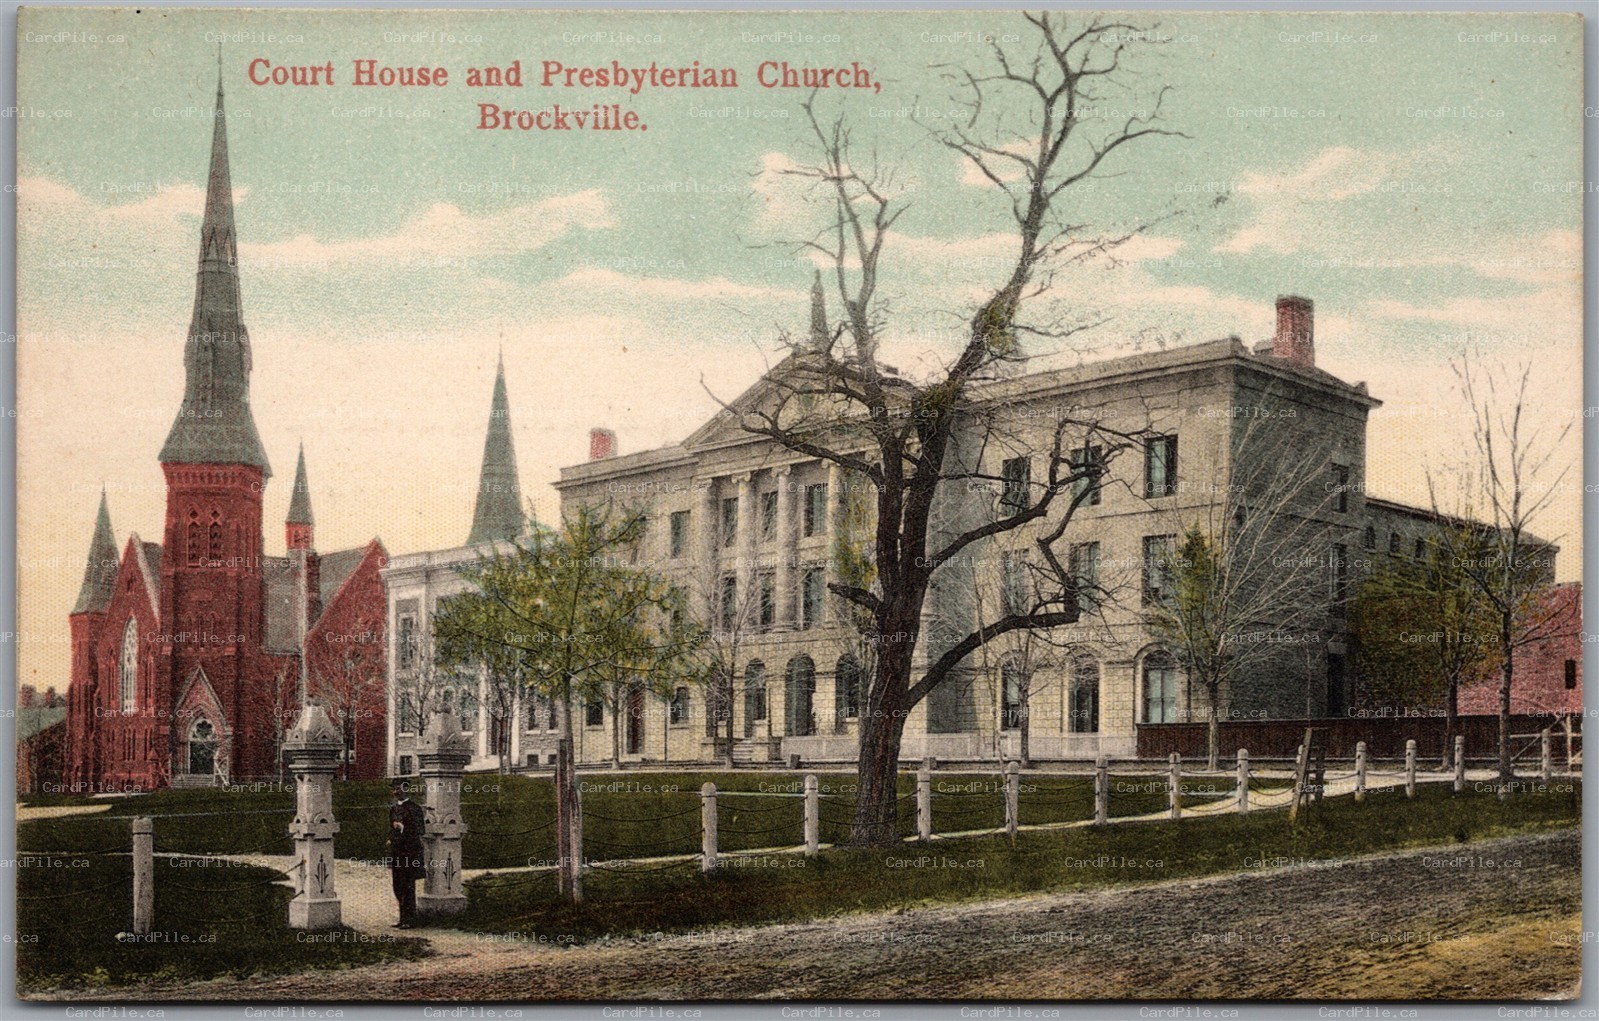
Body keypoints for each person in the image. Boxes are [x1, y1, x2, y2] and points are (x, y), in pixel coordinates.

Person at [389, 778, 425, 928]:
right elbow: (391, 829)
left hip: (409, 852)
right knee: (397, 885)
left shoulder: (414, 808)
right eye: (394, 789)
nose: (397, 792)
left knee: (408, 885)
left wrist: (403, 828)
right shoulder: (393, 809)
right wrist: (391, 838)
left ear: (406, 789)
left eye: (399, 788)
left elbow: (420, 830)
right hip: (397, 852)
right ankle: (403, 918)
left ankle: (410, 919)